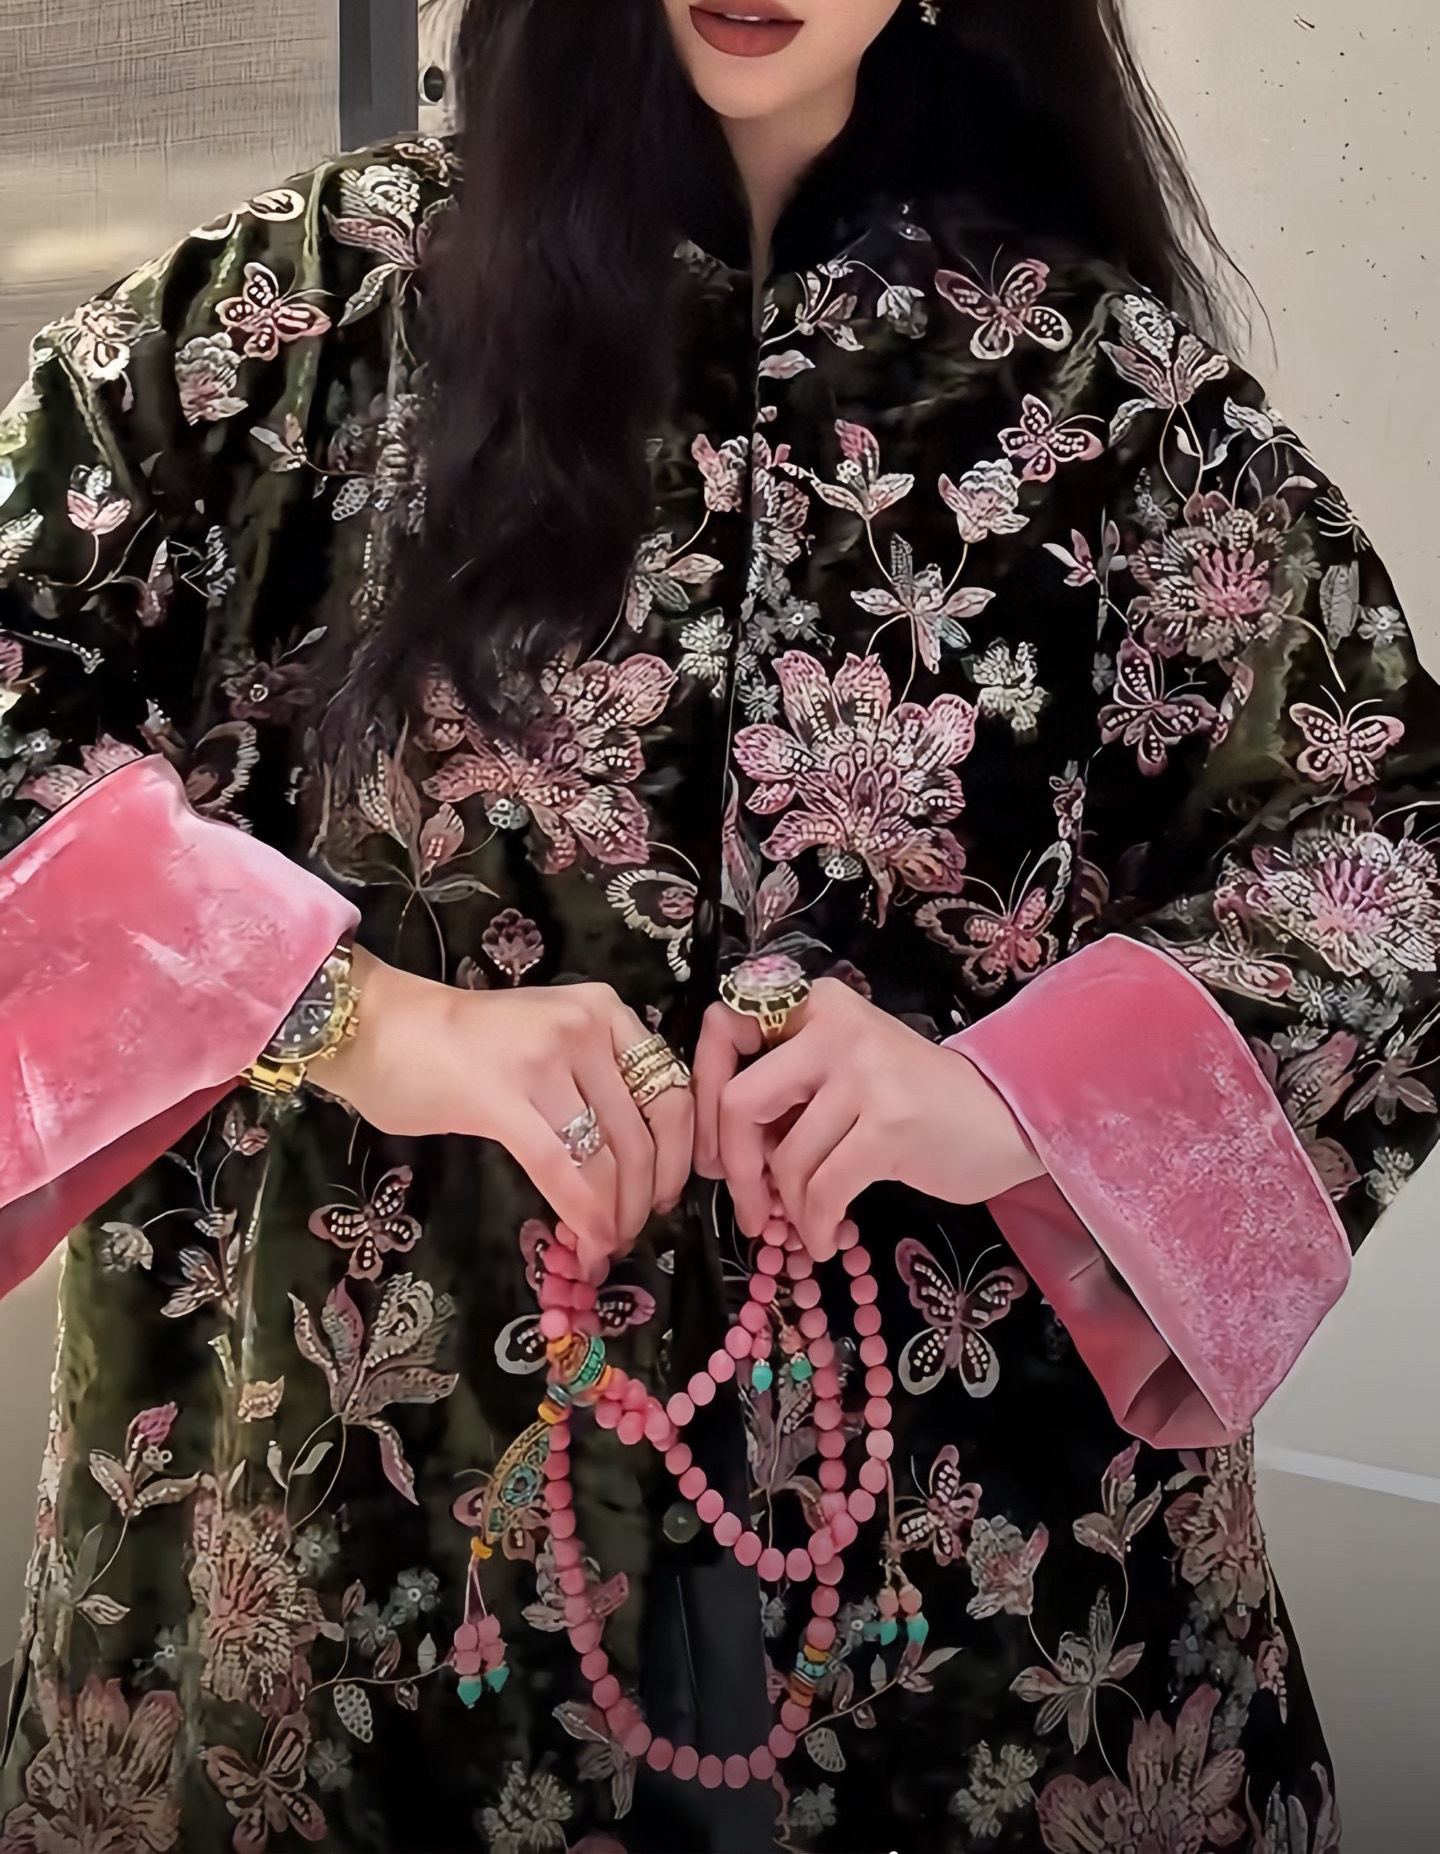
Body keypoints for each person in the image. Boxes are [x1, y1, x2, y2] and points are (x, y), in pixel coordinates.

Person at [0, 2, 1431, 1848]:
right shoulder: (311, 319)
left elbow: (1389, 850)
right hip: (359, 1522)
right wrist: (361, 1020)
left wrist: (1005, 1098)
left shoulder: (1095, 393)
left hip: (977, 1565)